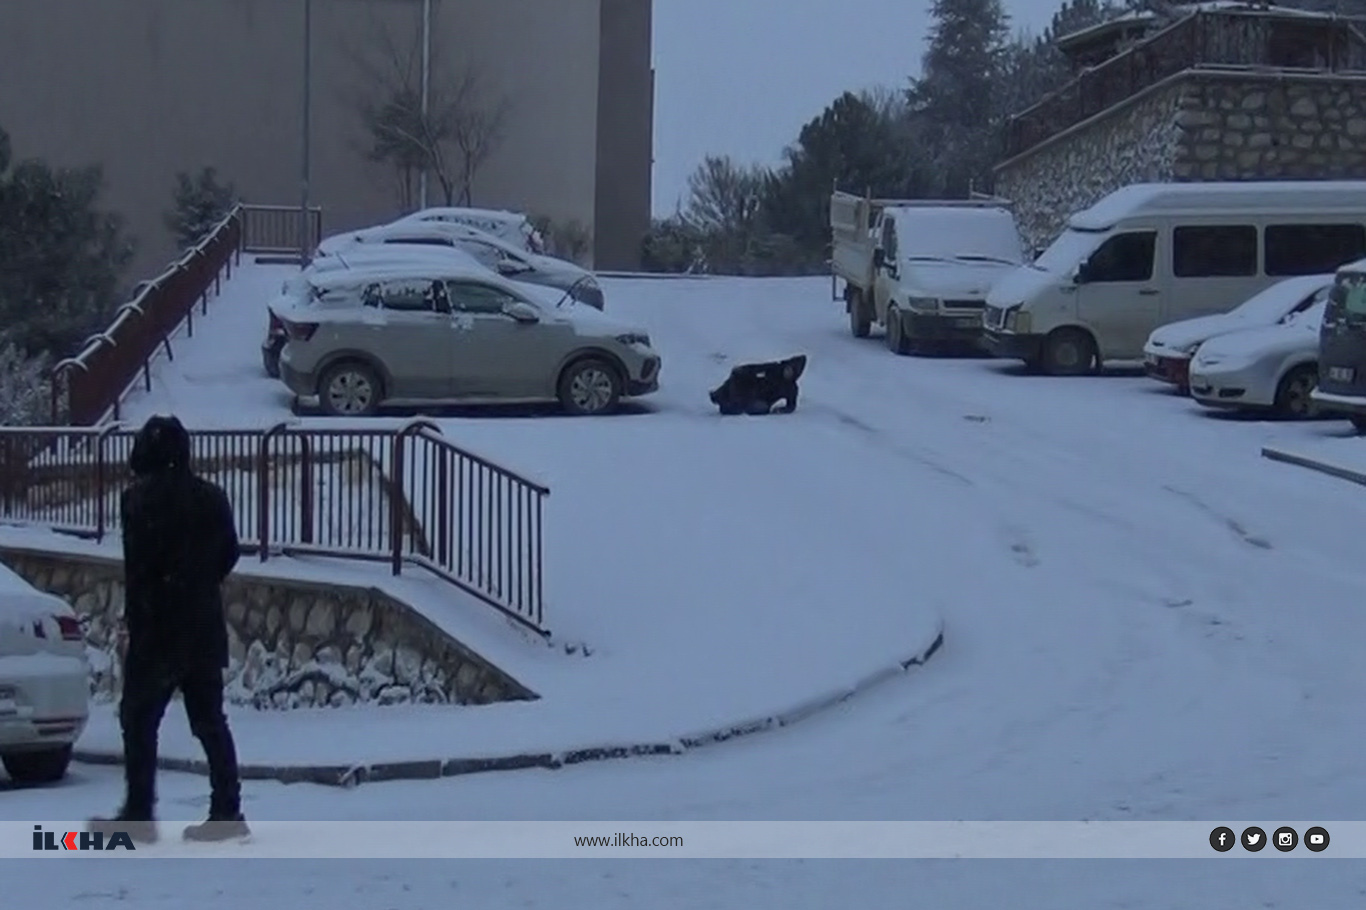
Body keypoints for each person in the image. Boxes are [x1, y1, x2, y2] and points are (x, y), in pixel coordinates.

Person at [88, 415, 249, 843]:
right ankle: (227, 809)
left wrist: (136, 621)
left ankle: (139, 812)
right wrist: (197, 583)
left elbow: (138, 568)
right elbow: (228, 554)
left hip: (157, 628)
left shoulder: (137, 500)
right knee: (210, 720)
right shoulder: (213, 498)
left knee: (138, 718)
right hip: (201, 623)